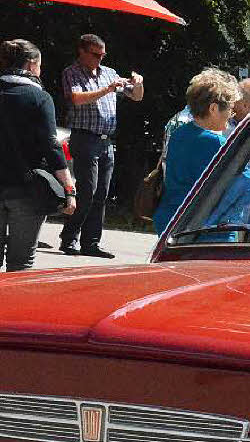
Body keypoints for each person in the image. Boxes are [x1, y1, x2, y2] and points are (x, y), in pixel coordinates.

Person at [60, 33, 143, 258]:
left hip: (106, 141)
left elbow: (136, 97)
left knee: (102, 194)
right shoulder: (72, 72)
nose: (100, 59)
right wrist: (107, 90)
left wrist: (138, 84)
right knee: (87, 191)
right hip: (84, 137)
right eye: (95, 55)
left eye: (103, 55)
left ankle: (91, 242)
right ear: (82, 52)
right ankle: (69, 238)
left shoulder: (109, 73)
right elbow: (76, 98)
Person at [0, 39, 76, 271]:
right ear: (32, 64)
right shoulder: (39, 98)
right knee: (20, 265)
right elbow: (51, 146)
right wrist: (69, 189)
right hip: (25, 188)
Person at [152, 69, 241, 234]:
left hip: (170, 220)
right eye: (230, 109)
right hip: (205, 230)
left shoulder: (178, 134)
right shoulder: (216, 143)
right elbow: (244, 184)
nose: (231, 115)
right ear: (213, 108)